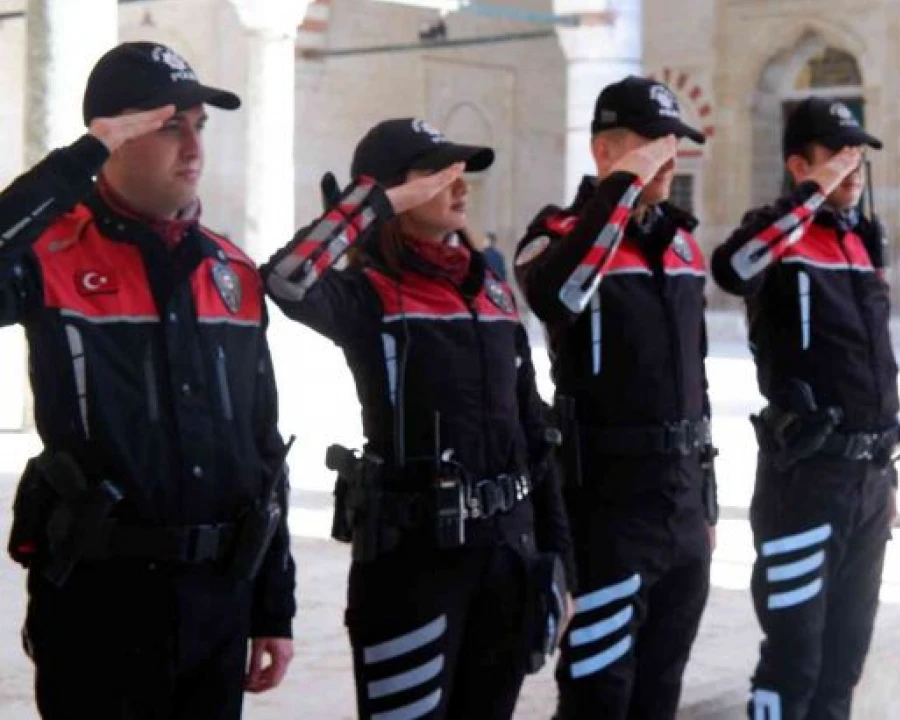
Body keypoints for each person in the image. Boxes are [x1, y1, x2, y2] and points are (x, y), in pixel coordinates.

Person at [2, 41, 296, 719]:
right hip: (99, 600)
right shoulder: (50, 256)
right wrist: (78, 160)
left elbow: (262, 447)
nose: (193, 147)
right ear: (113, 136)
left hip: (217, 600)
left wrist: (272, 606)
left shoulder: (231, 272)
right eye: (170, 127)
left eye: (199, 126)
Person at [261, 117, 575, 720]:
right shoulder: (366, 294)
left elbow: (534, 434)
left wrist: (561, 562)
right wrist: (375, 204)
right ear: (393, 191)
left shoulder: (490, 290)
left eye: (461, 173)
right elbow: (284, 279)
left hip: (507, 561)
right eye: (437, 174)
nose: (459, 186)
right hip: (412, 567)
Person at [513, 75, 718, 719]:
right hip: (608, 503)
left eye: (674, 143)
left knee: (661, 689)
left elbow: (699, 377)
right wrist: (622, 189)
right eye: (652, 143)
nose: (669, 157)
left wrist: (707, 501)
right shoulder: (557, 232)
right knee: (598, 691)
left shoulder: (682, 246)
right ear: (605, 151)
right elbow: (558, 296)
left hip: (681, 501)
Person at [711, 97, 900, 720]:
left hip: (867, 481)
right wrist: (811, 195)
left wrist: (887, 474)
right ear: (800, 164)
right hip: (806, 478)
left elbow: (876, 365)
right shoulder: (775, 234)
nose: (852, 167)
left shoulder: (861, 239)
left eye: (858, 155)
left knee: (842, 666)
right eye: (837, 155)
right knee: (792, 661)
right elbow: (732, 268)